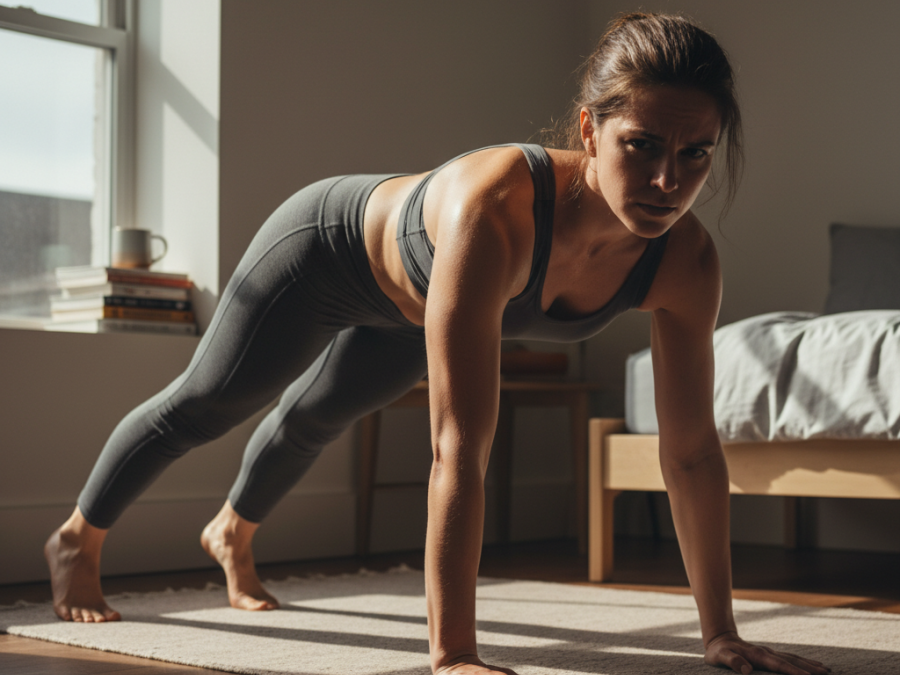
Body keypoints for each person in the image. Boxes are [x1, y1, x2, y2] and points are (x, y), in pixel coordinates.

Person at [45, 12, 830, 675]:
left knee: (315, 417)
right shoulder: (498, 207)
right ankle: (78, 535)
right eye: (644, 145)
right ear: (591, 130)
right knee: (210, 402)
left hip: (408, 308)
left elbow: (691, 452)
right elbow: (459, 448)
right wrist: (453, 654)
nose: (669, 181)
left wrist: (720, 632)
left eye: (696, 154)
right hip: (327, 251)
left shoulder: (686, 261)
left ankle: (230, 531)